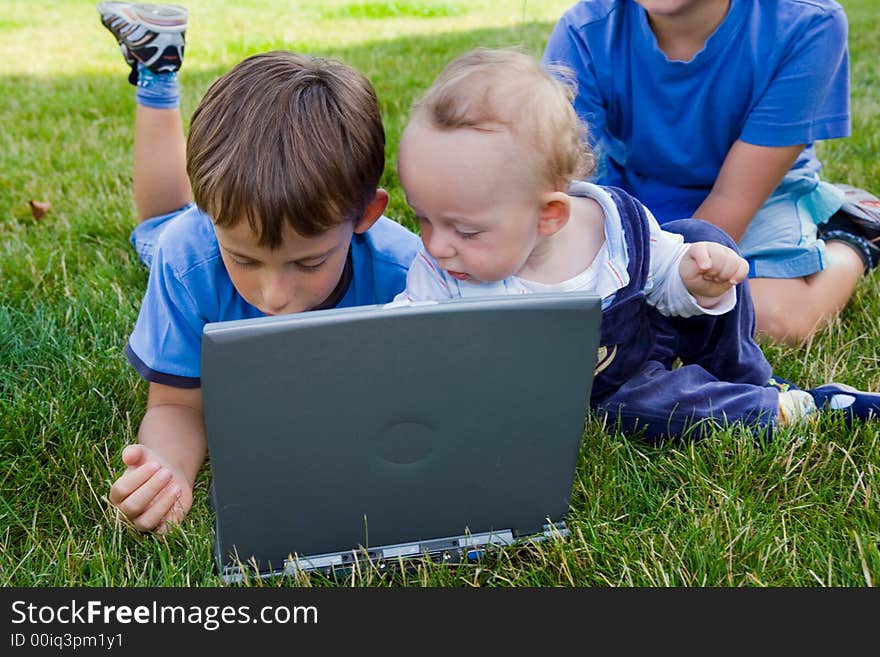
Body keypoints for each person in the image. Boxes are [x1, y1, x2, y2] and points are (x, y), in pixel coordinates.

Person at [394, 47, 880, 443]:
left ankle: (749, 376)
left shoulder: (617, 224)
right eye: (423, 218)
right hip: (611, 388)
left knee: (702, 242)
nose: (436, 245)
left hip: (644, 337)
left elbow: (663, 274)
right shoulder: (440, 275)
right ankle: (779, 408)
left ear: (549, 215)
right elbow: (400, 339)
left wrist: (693, 279)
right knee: (645, 408)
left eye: (467, 231)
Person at [97, 3, 420, 533]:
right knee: (157, 228)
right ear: (213, 222)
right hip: (180, 238)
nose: (272, 296)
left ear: (366, 215)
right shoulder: (190, 257)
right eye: (244, 259)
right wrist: (170, 469)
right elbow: (178, 404)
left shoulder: (406, 272)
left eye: (309, 261)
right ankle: (157, 70)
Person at [542, 0, 880, 345]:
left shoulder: (809, 23)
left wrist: (663, 282)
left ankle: (852, 238)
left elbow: (732, 201)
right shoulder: (585, 29)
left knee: (769, 319)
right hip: (637, 188)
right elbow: (551, 177)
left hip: (761, 193)